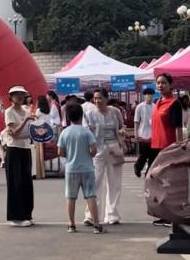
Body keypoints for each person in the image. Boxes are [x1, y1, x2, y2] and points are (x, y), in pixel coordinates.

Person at [57, 103, 104, 234]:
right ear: (81, 116)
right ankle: (96, 225)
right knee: (90, 196)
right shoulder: (86, 132)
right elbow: (93, 150)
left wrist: (69, 155)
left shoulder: (65, 132)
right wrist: (88, 156)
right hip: (87, 168)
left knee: (71, 197)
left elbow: (60, 152)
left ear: (68, 117)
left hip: (71, 169)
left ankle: (71, 224)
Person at [85, 88, 125, 226]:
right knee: (95, 181)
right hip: (97, 149)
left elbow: (121, 126)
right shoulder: (90, 113)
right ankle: (91, 215)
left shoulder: (115, 111)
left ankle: (113, 214)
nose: (97, 101)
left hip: (114, 148)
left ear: (106, 98)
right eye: (95, 98)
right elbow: (87, 132)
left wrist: (122, 131)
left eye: (100, 98)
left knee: (114, 182)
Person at [149, 73, 184, 227]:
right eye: (158, 83)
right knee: (158, 182)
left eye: (163, 83)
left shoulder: (174, 104)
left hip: (169, 149)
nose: (160, 85)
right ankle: (164, 214)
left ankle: (172, 216)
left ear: (170, 85)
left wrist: (179, 148)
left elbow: (178, 128)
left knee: (169, 183)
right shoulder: (157, 102)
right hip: (156, 148)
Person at [4, 86, 36, 227]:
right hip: (14, 149)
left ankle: (27, 214)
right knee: (16, 182)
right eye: (16, 94)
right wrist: (25, 120)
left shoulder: (26, 110)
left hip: (25, 148)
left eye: (22, 94)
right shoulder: (9, 112)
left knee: (27, 182)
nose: (20, 97)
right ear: (11, 97)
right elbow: (14, 134)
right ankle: (16, 217)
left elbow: (31, 130)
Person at [133, 88, 155, 178]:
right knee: (144, 154)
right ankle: (138, 166)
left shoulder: (155, 106)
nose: (149, 96)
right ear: (144, 96)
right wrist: (136, 134)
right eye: (147, 94)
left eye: (151, 94)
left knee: (153, 155)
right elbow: (136, 121)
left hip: (153, 134)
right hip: (142, 133)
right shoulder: (140, 107)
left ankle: (148, 173)